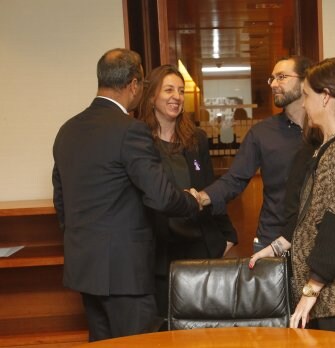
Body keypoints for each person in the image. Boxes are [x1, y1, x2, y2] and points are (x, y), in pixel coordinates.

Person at [52, 49, 200, 341]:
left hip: (84, 266)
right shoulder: (130, 131)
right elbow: (160, 196)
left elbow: (61, 200)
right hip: (125, 271)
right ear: (134, 85)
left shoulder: (67, 130)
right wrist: (193, 202)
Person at [250, 57, 335, 336]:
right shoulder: (327, 146)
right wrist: (277, 247)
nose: (303, 104)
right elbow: (309, 215)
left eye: (306, 95)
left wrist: (310, 292)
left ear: (325, 97)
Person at [136, 64, 238, 325]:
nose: (177, 96)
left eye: (181, 91)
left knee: (202, 326)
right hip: (160, 251)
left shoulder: (196, 139)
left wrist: (227, 235)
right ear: (151, 97)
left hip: (198, 246)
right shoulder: (138, 141)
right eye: (169, 89)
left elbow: (209, 186)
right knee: (164, 328)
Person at [195, 56, 314, 252]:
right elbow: (234, 179)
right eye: (272, 79)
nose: (274, 84)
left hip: (316, 240)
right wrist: (200, 198)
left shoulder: (324, 129)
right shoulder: (262, 133)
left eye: (282, 77)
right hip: (272, 240)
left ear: (305, 81)